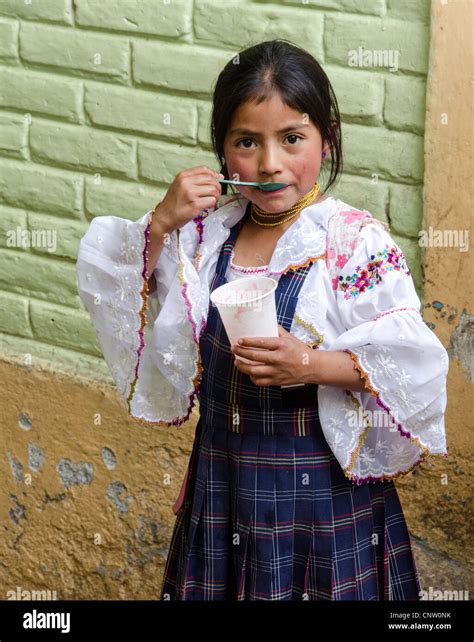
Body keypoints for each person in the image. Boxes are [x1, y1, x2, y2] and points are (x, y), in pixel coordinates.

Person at [76, 39, 448, 601]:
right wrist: (159, 221)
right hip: (222, 483)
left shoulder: (349, 243)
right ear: (223, 151)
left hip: (322, 498)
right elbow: (118, 291)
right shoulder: (205, 237)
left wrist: (312, 363)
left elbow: (412, 359)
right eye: (247, 141)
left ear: (328, 139)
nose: (270, 163)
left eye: (292, 138)